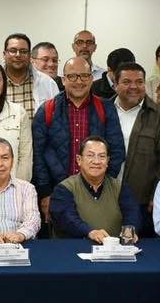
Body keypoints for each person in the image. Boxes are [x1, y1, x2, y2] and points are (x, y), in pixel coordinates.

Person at [33, 57, 126, 218]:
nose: (79, 81)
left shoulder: (105, 108)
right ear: (63, 80)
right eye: (72, 76)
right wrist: (45, 192)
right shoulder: (47, 110)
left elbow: (116, 150)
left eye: (84, 76)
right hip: (58, 191)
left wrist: (103, 186)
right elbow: (38, 155)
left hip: (96, 192)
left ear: (91, 79)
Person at [112, 62, 160, 238]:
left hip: (142, 202)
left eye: (139, 82)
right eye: (126, 82)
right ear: (115, 84)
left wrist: (157, 195)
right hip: (105, 199)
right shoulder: (103, 110)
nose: (134, 86)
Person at [50, 136, 140, 242]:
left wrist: (129, 233)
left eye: (102, 156)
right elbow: (67, 219)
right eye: (90, 155)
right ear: (79, 160)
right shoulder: (64, 189)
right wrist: (90, 232)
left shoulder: (120, 188)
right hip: (75, 248)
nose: (96, 161)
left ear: (107, 161)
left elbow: (132, 214)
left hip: (113, 249)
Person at [3, 33, 60, 118]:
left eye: (23, 51)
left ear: (29, 56)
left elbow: (57, 119)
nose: (18, 55)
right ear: (4, 54)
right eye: (13, 51)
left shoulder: (48, 83)